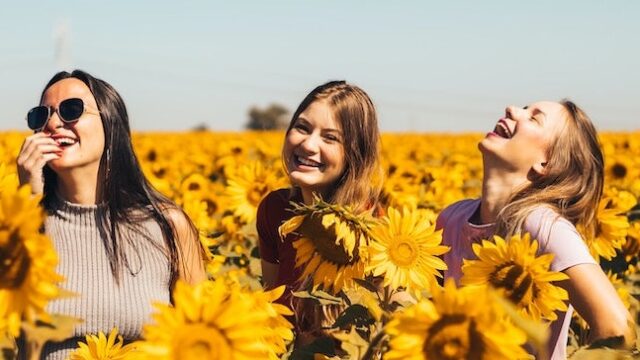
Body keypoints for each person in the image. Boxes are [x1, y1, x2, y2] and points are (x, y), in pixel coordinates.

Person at [16, 70, 207, 359]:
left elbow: (202, 335)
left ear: (110, 123)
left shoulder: (166, 225)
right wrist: (26, 206)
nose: (53, 123)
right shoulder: (17, 226)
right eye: (40, 116)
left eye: (71, 110)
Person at [435, 100, 635, 359]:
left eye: (533, 118)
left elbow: (617, 328)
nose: (511, 109)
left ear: (546, 164)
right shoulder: (452, 218)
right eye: (523, 108)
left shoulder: (543, 226)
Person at [257, 80, 383, 341]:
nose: (308, 145)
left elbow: (378, 326)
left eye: (330, 138)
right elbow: (273, 307)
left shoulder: (373, 226)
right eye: (302, 127)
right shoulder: (275, 210)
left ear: (355, 153)